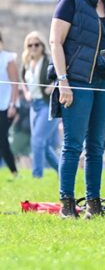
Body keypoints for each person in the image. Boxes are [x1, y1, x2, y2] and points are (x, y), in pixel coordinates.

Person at [49, 0, 105, 219]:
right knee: (72, 145)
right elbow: (55, 41)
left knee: (97, 146)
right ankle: (67, 204)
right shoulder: (70, 0)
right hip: (78, 80)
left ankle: (94, 203)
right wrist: (63, 81)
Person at [20, 31, 59, 178]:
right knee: (43, 144)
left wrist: (53, 85)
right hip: (34, 106)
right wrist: (26, 92)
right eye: (30, 45)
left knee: (37, 140)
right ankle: (63, 172)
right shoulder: (26, 63)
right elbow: (22, 79)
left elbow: (60, 76)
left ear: (42, 46)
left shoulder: (49, 60)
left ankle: (37, 176)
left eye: (36, 44)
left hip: (47, 105)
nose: (33, 48)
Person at [0, 30, 21, 177]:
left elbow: (15, 84)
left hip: (7, 106)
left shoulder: (7, 58)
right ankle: (14, 172)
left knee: (2, 139)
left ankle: (14, 172)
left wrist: (12, 105)